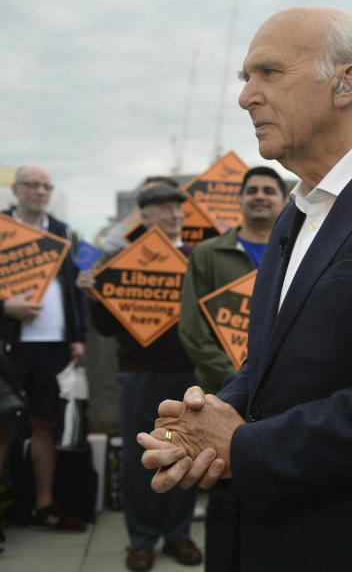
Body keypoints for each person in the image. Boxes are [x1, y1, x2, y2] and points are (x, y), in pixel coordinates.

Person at [137, 7, 352, 570]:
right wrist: (209, 418)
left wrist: (241, 445)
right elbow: (268, 365)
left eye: (268, 73)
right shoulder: (294, 214)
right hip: (279, 533)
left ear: (345, 83)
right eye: (244, 78)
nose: (246, 96)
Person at [77, 184, 203, 571]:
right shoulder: (120, 261)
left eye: (179, 211)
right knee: (139, 458)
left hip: (185, 371)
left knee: (186, 452)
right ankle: (143, 539)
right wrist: (94, 298)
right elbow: (105, 327)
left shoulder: (195, 258)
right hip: (137, 372)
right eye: (166, 210)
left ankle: (179, 535)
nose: (175, 216)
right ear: (144, 216)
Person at [177, 166, 286, 572]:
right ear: (239, 200)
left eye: (268, 190)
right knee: (224, 495)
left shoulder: (298, 250)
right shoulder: (208, 254)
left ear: (283, 199)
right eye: (251, 190)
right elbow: (192, 329)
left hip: (283, 402)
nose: (259, 196)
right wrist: (237, 381)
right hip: (222, 399)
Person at [0, 165, 86, 532]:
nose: (39, 191)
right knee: (2, 429)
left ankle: (44, 505)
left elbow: (77, 285)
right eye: (32, 185)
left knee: (44, 426)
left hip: (55, 348)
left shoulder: (63, 232)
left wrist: (77, 335)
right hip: (9, 345)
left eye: (45, 186)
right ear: (16, 189)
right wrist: (5, 307)